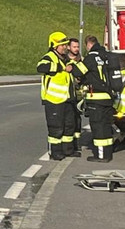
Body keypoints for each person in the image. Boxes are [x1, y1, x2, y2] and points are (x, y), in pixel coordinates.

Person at [70, 35, 116, 162]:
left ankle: (100, 156)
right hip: (108, 97)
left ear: (88, 45)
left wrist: (71, 67)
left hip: (96, 98)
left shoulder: (91, 58)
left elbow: (78, 72)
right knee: (106, 126)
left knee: (98, 127)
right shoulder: (106, 56)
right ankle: (107, 153)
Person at [36, 31, 75, 160]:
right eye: (62, 45)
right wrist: (61, 68)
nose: (65, 47)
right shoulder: (49, 57)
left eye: (66, 45)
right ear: (54, 46)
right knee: (56, 128)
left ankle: (68, 150)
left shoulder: (65, 58)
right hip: (54, 100)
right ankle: (55, 152)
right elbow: (41, 67)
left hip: (67, 99)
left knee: (68, 126)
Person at [67, 37, 84, 155]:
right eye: (74, 47)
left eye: (78, 47)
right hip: (67, 94)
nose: (76, 49)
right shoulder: (65, 60)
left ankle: (77, 143)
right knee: (69, 120)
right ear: (68, 47)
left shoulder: (81, 60)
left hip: (79, 95)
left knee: (77, 120)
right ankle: (69, 144)